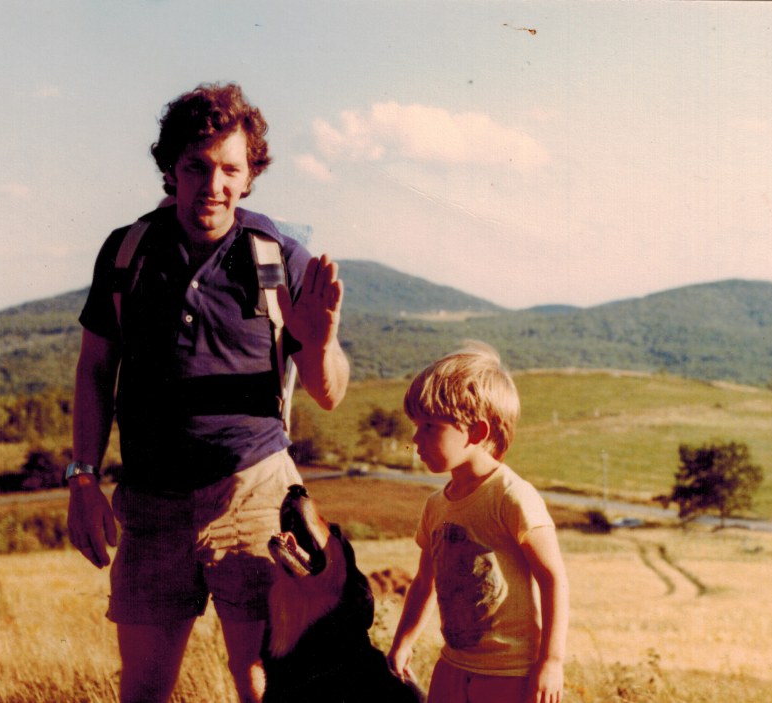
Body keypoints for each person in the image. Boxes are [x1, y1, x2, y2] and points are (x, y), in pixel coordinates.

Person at [66, 82, 349, 703]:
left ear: (250, 177)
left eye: (229, 169)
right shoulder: (128, 252)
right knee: (142, 690)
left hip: (255, 496)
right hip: (150, 503)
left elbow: (328, 393)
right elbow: (94, 369)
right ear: (171, 169)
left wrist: (320, 341)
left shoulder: (279, 258)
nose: (212, 185)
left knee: (260, 684)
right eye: (196, 166)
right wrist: (83, 478)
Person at [386, 342, 568, 703]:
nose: (415, 439)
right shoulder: (437, 505)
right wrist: (402, 643)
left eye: (428, 426)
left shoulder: (512, 496)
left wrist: (551, 661)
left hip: (510, 674)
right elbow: (425, 581)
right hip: (452, 667)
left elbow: (554, 579)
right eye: (415, 425)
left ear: (476, 432)